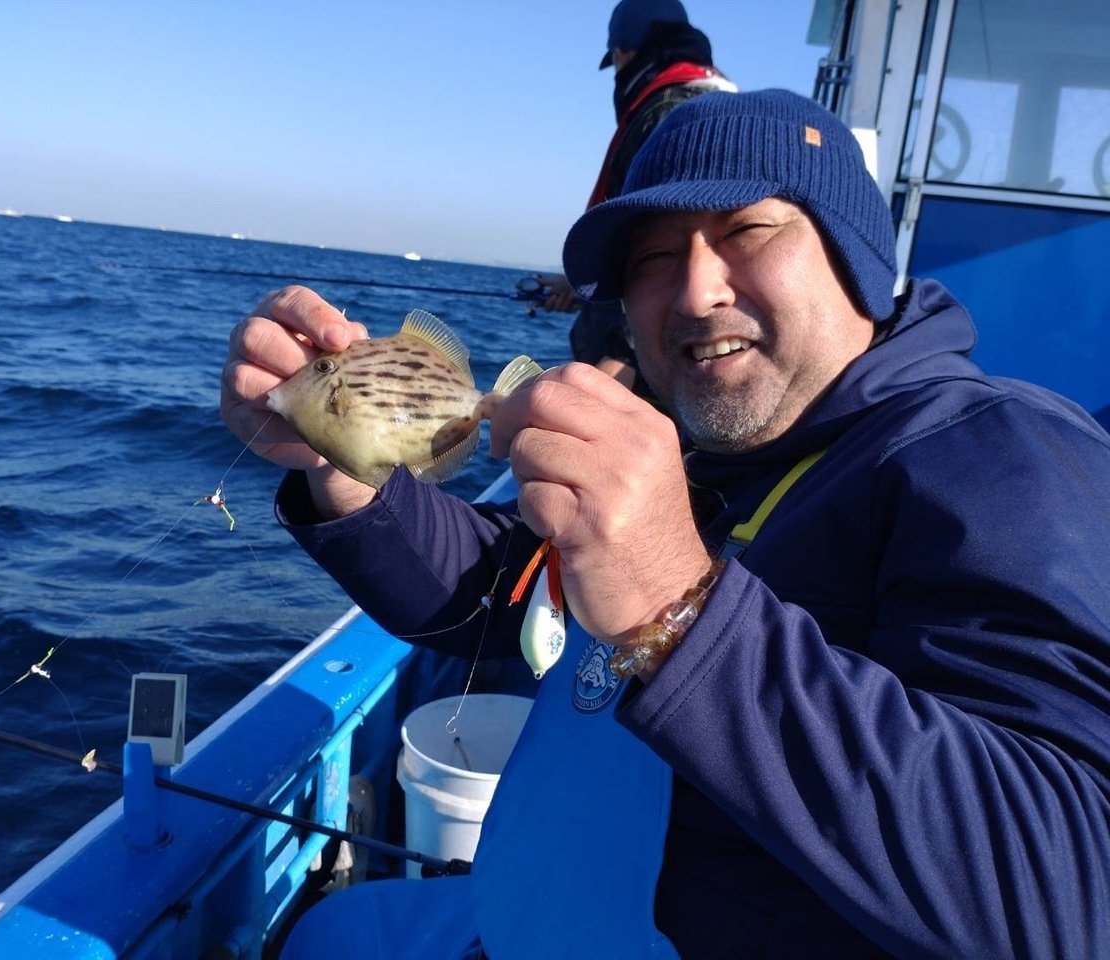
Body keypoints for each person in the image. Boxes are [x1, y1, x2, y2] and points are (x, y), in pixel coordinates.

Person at [221, 90, 1110, 958]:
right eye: (651, 257)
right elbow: (503, 593)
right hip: (526, 918)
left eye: (747, 230)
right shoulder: (717, 445)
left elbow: (1070, 890)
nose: (693, 289)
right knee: (327, 932)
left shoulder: (997, 457)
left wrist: (674, 606)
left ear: (857, 259)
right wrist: (345, 467)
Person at [536, 0, 736, 394]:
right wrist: (584, 287)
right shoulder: (713, 106)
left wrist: (622, 359)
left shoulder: (668, 114)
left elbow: (678, 252)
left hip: (651, 373)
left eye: (616, 61)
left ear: (624, 53)